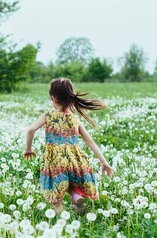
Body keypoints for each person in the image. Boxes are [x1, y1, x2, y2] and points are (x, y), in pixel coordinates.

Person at [23, 78, 115, 216]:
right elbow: (90, 142)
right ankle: (77, 199)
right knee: (72, 186)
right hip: (74, 159)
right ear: (71, 98)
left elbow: (31, 130)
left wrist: (28, 149)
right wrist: (104, 162)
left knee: (56, 195)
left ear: (53, 98)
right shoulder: (74, 119)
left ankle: (58, 218)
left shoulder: (48, 115)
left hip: (55, 161)